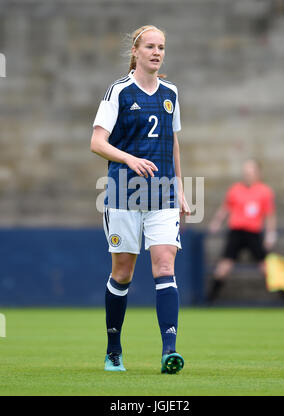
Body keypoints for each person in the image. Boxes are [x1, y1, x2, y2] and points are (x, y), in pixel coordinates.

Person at [90, 25, 190, 373]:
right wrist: (128, 158)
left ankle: (169, 352)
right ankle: (114, 348)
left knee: (165, 267)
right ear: (136, 51)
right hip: (122, 193)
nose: (156, 52)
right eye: (150, 46)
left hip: (162, 193)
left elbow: (173, 143)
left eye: (161, 46)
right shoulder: (118, 91)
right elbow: (97, 142)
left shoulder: (171, 94)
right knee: (123, 273)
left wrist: (180, 189)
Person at [207, 159, 277, 302]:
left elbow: (270, 215)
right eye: (246, 172)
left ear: (258, 173)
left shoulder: (264, 191)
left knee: (266, 268)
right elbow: (225, 208)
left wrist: (271, 235)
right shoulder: (235, 189)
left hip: (253, 233)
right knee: (224, 267)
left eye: (251, 172)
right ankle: (209, 300)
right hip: (236, 233)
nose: (248, 175)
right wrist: (216, 222)